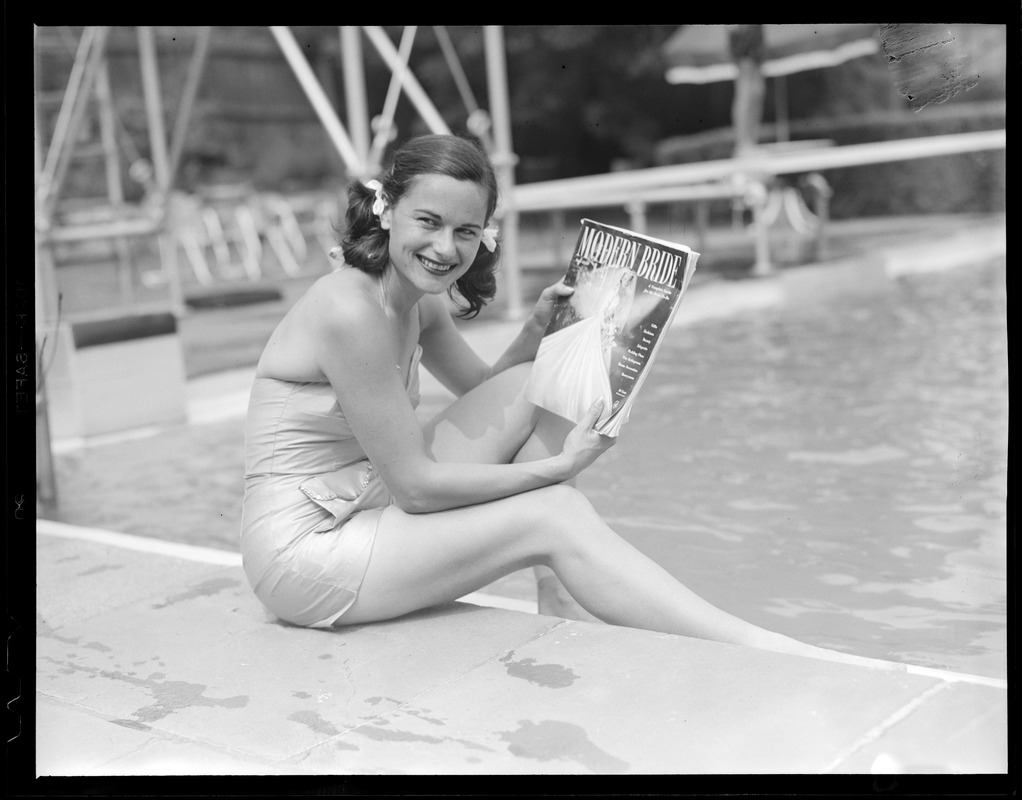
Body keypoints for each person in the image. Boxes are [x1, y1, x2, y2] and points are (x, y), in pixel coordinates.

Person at [241, 133, 898, 671]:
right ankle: (761, 651)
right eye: (429, 223)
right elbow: (415, 487)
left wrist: (536, 335)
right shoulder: (348, 310)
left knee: (552, 374)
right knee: (553, 514)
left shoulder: (417, 302)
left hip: (365, 504)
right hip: (308, 553)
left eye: (467, 232)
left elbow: (489, 400)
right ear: (389, 210)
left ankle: (558, 589)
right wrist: (555, 476)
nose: (446, 249)